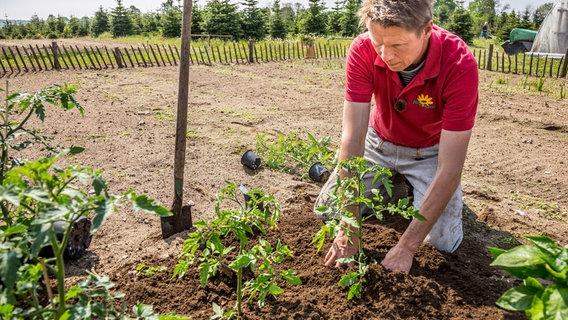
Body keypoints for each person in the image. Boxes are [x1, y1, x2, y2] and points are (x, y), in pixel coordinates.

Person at [313, 0, 478, 274]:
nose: (385, 55)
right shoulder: (363, 49)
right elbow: (352, 140)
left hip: (429, 153)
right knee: (329, 210)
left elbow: (450, 167)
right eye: (378, 43)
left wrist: (407, 247)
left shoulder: (458, 63)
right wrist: (349, 226)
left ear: (426, 30)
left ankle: (418, 187)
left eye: (398, 45)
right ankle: (398, 186)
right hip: (378, 144)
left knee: (442, 243)